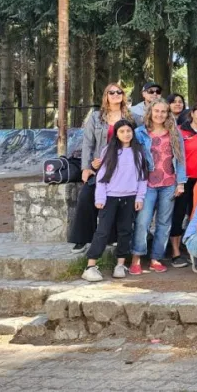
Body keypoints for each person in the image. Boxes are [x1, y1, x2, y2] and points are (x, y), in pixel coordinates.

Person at [81, 119, 150, 282]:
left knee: (125, 230)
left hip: (130, 197)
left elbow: (142, 178)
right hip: (110, 197)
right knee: (103, 230)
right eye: (122, 131)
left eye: (128, 131)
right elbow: (101, 177)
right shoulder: (109, 151)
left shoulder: (138, 152)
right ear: (116, 134)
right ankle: (90, 266)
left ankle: (120, 264)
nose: (126, 134)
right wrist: (100, 197)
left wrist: (139, 197)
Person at [70, 83, 132, 251]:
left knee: (115, 202)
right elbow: (88, 143)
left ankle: (112, 236)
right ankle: (83, 238)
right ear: (106, 96)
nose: (115, 94)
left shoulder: (131, 117)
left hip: (123, 168)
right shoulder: (96, 117)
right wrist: (86, 167)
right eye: (111, 92)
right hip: (100, 167)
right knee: (86, 198)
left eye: (119, 91)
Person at [132, 98, 187, 275]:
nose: (160, 115)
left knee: (164, 223)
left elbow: (180, 158)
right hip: (146, 184)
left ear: (168, 114)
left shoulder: (174, 132)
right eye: (157, 111)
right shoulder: (139, 132)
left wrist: (180, 182)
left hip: (168, 184)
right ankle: (137, 258)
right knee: (143, 221)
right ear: (150, 112)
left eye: (163, 112)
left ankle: (156, 258)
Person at [171, 102, 197, 268]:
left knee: (195, 214)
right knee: (179, 213)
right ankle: (175, 252)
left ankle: (192, 249)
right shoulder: (181, 132)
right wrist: (178, 180)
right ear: (192, 114)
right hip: (184, 179)